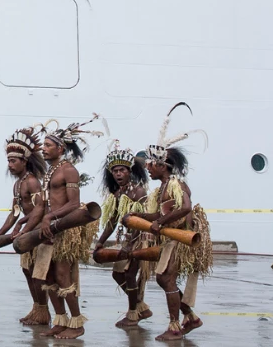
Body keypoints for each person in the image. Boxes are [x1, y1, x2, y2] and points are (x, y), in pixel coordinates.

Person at [134, 103, 212, 341]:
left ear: (161, 165)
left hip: (180, 241)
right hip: (171, 239)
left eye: (150, 164)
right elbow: (159, 216)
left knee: (164, 278)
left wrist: (162, 222)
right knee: (163, 278)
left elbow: (185, 208)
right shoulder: (163, 188)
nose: (147, 168)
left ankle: (175, 325)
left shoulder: (176, 185)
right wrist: (137, 219)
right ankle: (189, 318)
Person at [33, 116, 105, 339]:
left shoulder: (69, 170)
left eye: (48, 145)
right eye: (43, 145)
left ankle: (77, 323)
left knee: (64, 276)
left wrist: (51, 217)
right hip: (48, 229)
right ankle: (60, 320)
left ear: (60, 148)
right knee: (48, 277)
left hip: (64, 229)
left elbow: (74, 203)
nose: (43, 149)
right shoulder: (50, 171)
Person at [0, 127, 50, 326]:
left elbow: (40, 208)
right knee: (27, 270)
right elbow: (15, 213)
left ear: (25, 161)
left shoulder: (32, 182)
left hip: (39, 232)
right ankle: (37, 309)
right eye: (8, 161)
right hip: (28, 232)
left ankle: (44, 312)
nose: (10, 165)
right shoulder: (18, 184)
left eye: (13, 161)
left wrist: (24, 230)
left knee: (39, 274)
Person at [93, 140, 153, 328]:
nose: (118, 174)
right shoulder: (118, 193)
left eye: (122, 170)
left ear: (130, 171)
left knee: (128, 274)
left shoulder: (138, 192)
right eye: (115, 171)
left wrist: (130, 245)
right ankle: (140, 307)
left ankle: (133, 314)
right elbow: (112, 220)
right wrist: (100, 242)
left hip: (142, 239)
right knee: (117, 275)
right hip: (129, 240)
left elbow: (141, 222)